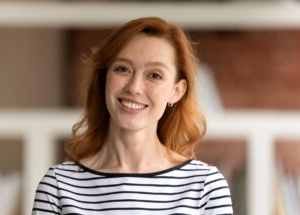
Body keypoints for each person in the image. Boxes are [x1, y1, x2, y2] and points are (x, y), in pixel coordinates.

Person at [32, 17, 233, 215]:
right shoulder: (58, 185)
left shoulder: (206, 187)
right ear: (104, 79)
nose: (134, 87)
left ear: (176, 91)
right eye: (123, 69)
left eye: (155, 75)